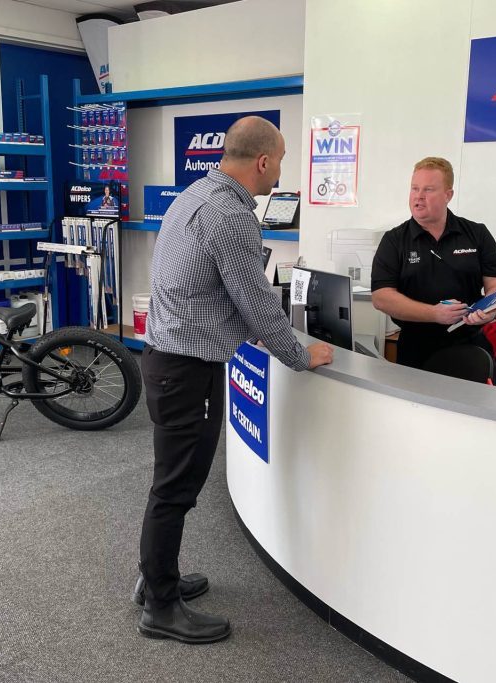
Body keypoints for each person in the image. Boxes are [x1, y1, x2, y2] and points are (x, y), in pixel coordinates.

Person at [134, 116, 334, 644]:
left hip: (173, 359)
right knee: (175, 487)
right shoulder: (231, 214)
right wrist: (300, 355)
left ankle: (159, 578)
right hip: (185, 369)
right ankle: (159, 604)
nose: (280, 174)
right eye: (281, 163)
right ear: (263, 161)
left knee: (173, 482)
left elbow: (217, 287)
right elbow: (255, 300)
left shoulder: (196, 192)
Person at [370, 157, 496, 370]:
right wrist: (433, 313)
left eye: (428, 190)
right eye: (414, 188)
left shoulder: (477, 234)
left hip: (470, 348)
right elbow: (381, 297)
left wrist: (492, 311)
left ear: (448, 195)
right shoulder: (394, 240)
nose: (418, 196)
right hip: (416, 350)